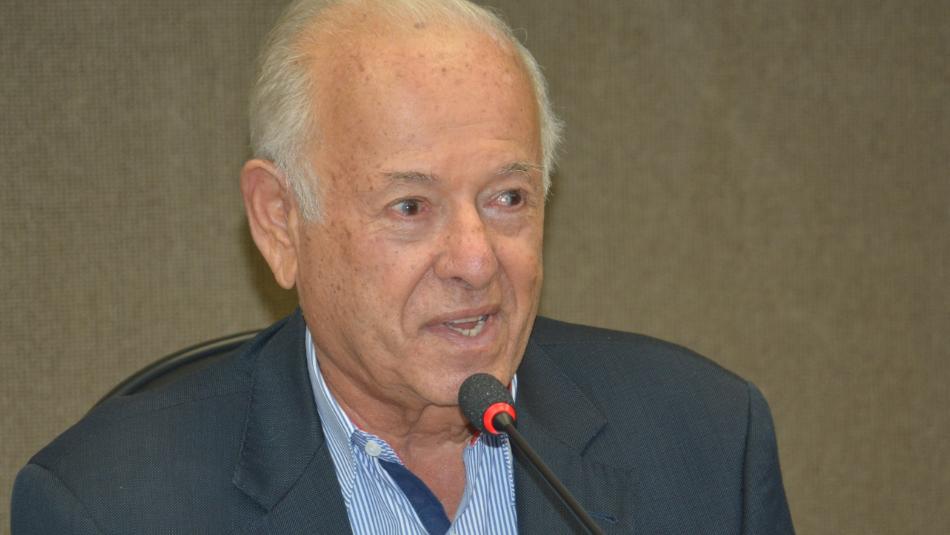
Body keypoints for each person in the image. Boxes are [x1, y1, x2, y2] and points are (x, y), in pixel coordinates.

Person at [12, 0, 794, 533]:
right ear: (281, 220)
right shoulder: (109, 507)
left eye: (508, 197)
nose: (475, 260)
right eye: (411, 206)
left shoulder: (707, 444)